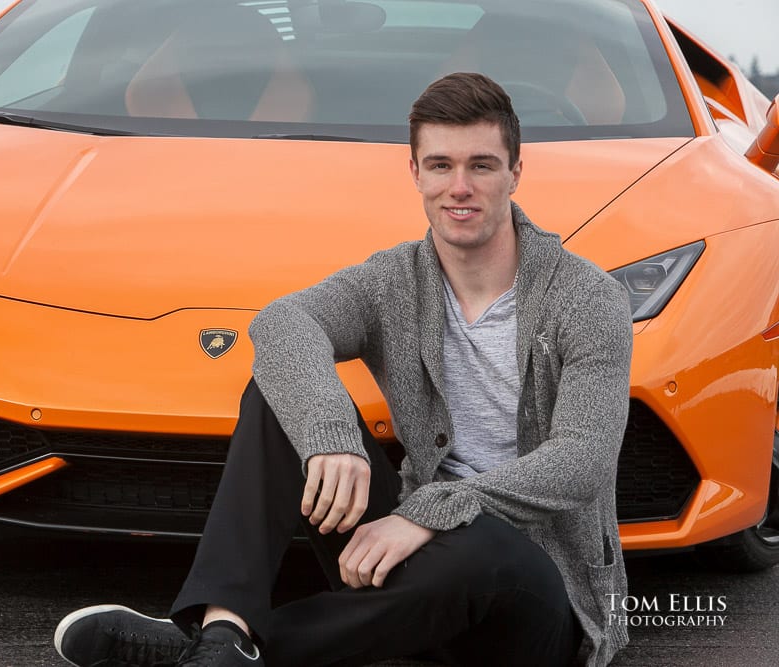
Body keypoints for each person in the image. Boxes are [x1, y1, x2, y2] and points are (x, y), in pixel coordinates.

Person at [53, 71, 632, 667]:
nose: (459, 187)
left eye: (481, 165)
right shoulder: (394, 280)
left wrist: (426, 515)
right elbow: (282, 324)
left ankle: (198, 649)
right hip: (411, 561)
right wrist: (332, 439)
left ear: (515, 171)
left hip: (534, 596)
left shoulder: (586, 298)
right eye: (439, 166)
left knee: (486, 551)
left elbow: (581, 461)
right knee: (278, 397)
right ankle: (225, 635)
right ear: (414, 173)